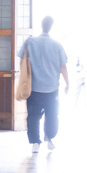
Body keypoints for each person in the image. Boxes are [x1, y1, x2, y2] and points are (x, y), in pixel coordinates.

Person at [19, 15, 69, 153]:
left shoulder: (29, 42)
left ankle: (35, 143)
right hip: (51, 88)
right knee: (52, 115)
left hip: (33, 87)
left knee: (33, 116)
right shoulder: (57, 45)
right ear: (51, 27)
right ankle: (49, 138)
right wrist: (67, 83)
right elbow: (63, 66)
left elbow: (22, 61)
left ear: (41, 26)